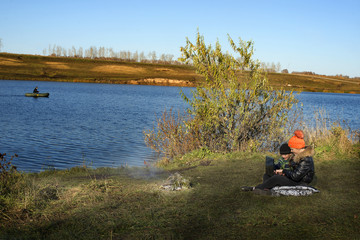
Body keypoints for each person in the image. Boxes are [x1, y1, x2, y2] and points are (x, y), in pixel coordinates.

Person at [241, 130, 315, 195]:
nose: (291, 151)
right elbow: (293, 171)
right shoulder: (298, 155)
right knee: (267, 175)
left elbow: (295, 176)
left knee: (277, 178)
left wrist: (284, 171)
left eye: (292, 149)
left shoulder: (306, 159)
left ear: (297, 148)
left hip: (300, 182)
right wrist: (282, 172)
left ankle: (256, 188)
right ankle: (268, 188)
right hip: (294, 178)